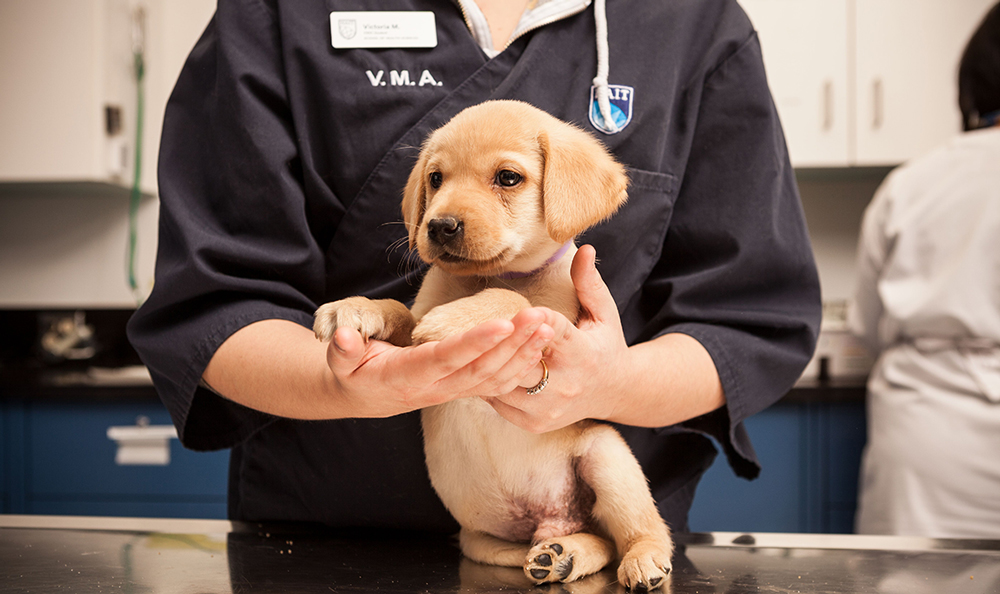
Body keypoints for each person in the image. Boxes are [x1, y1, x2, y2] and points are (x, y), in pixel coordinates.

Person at [127, 0, 821, 534]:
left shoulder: (692, 23)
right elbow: (215, 304)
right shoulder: (282, 11)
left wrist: (611, 382)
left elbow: (745, 317)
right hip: (329, 533)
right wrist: (348, 387)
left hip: (588, 535)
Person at [849, 3, 1000, 538]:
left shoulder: (916, 182)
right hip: (930, 429)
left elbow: (866, 325)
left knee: (916, 579)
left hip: (931, 434)